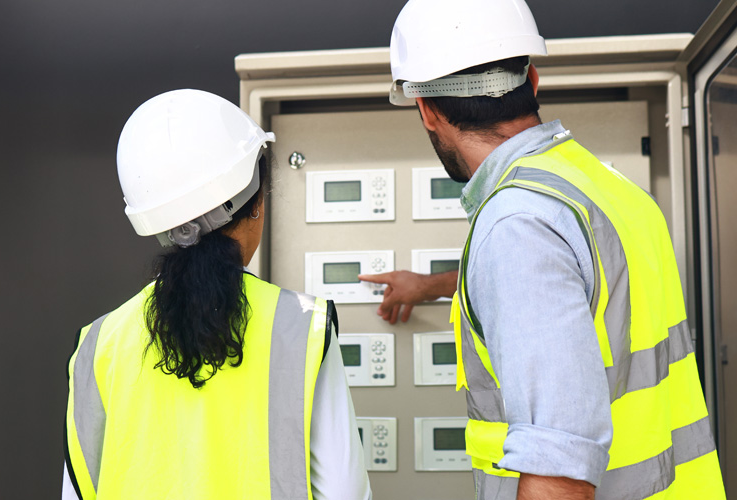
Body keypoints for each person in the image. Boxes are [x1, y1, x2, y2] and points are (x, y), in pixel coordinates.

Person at [360, 1, 726, 498]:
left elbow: (559, 473)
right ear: (531, 80)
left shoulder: (516, 224)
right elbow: (581, 289)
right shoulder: (601, 189)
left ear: (427, 109)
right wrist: (433, 286)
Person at [63, 89, 371, 500]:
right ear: (256, 203)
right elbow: (345, 492)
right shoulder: (301, 330)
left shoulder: (99, 345)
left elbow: (78, 490)